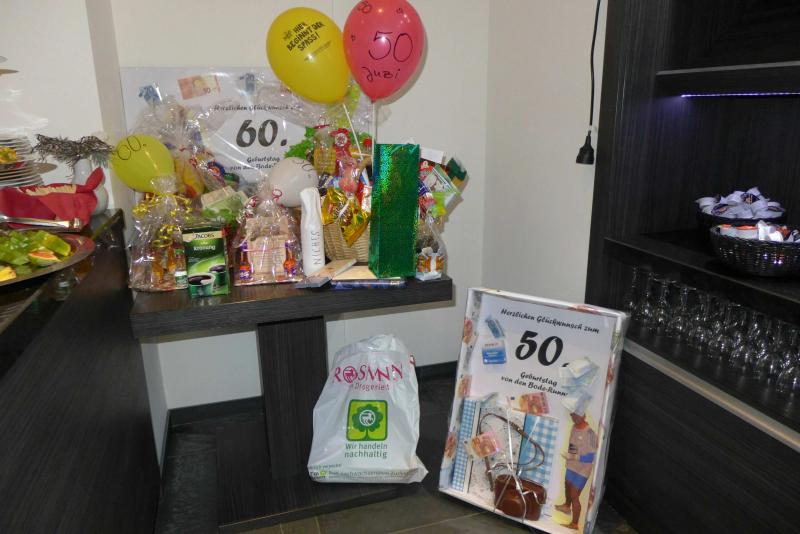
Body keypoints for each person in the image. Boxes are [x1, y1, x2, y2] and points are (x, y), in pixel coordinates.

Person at [555, 408, 598, 529]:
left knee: (574, 495)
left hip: (583, 470)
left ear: (583, 415)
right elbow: (573, 444)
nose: (573, 418)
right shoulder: (574, 427)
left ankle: (574, 524)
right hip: (571, 465)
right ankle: (566, 506)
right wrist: (570, 456)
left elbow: (591, 457)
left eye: (576, 415)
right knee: (567, 485)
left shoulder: (590, 434)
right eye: (572, 415)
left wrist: (574, 456)